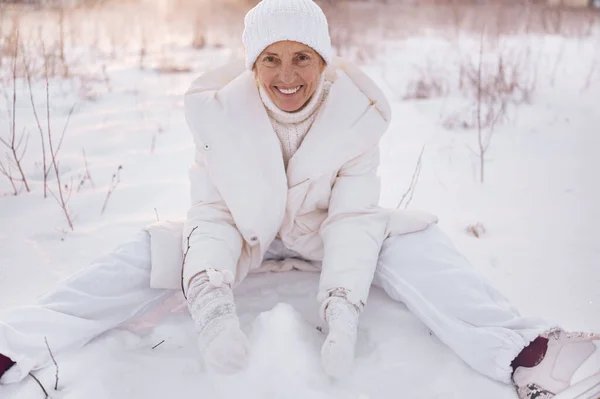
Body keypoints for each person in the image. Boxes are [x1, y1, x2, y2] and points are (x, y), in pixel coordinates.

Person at [1, 1, 598, 398]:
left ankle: (526, 350)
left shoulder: (358, 118)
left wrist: (341, 305)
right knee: (144, 250)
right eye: (271, 59)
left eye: (302, 58)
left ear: (324, 61)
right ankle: (13, 345)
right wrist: (208, 295)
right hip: (243, 237)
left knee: (418, 242)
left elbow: (356, 219)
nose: (287, 76)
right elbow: (211, 213)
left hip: (325, 235)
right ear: (252, 63)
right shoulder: (218, 114)